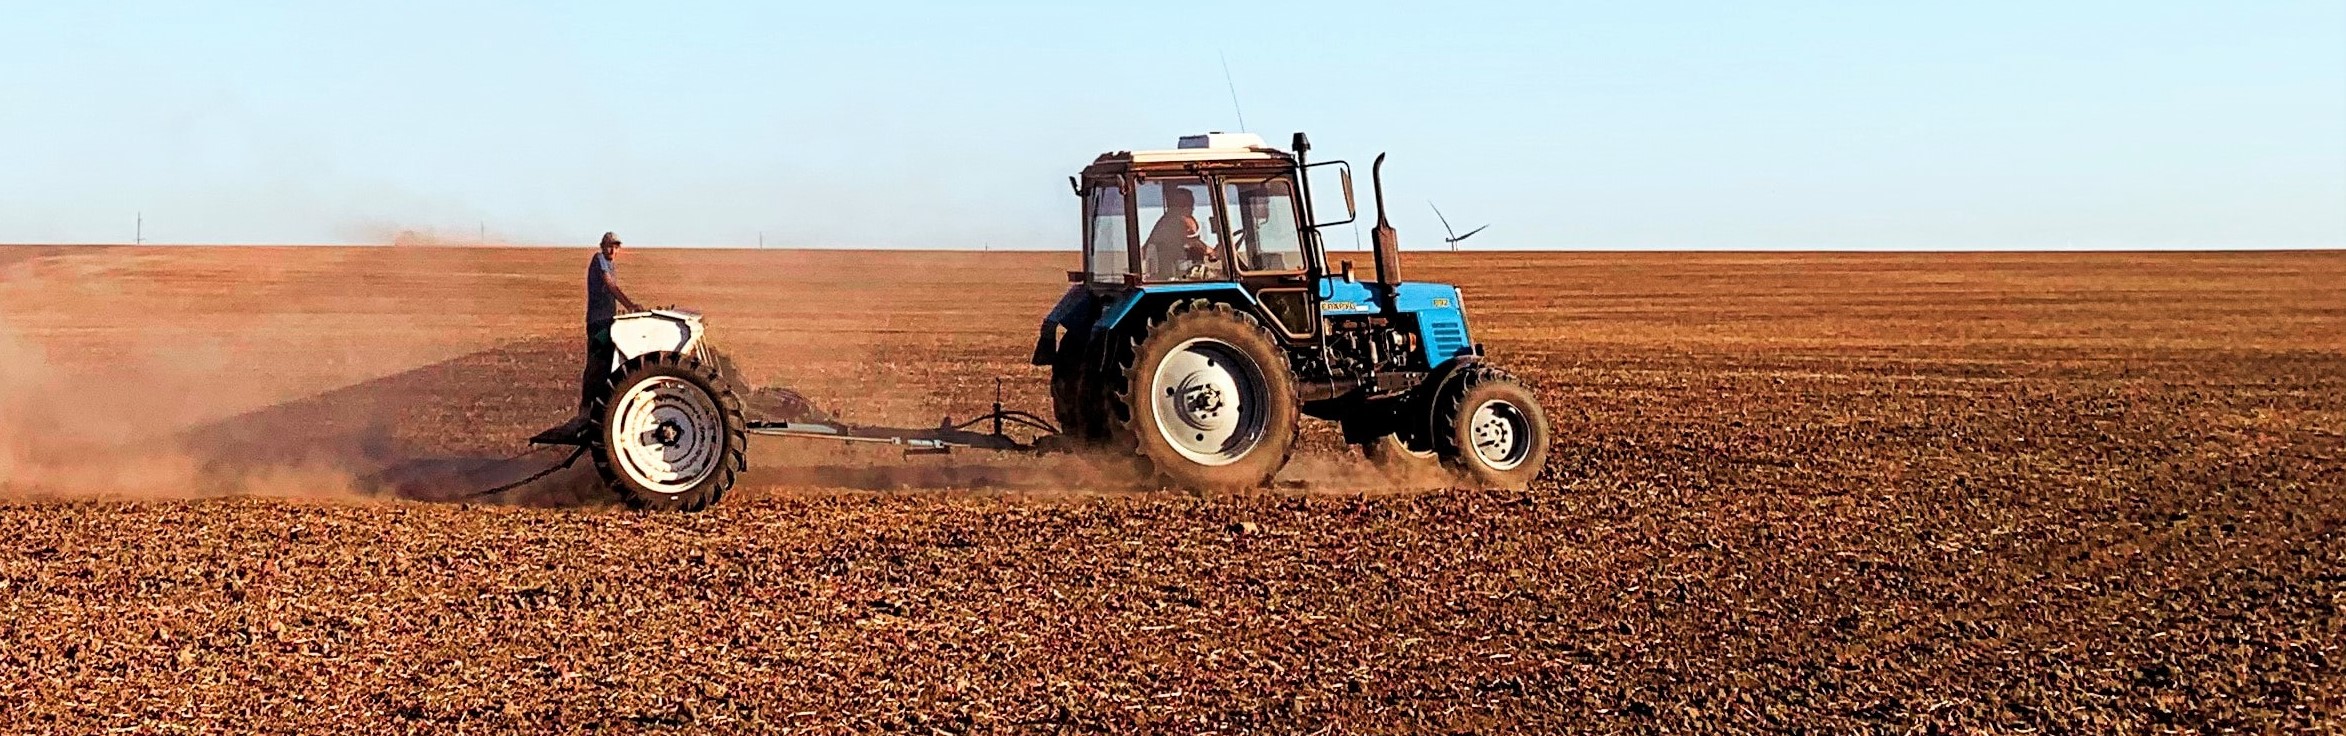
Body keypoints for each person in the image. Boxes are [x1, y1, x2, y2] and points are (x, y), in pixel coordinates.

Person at [578, 231, 642, 421]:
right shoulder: (599, 261)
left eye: (616, 246)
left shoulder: (610, 264)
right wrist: (630, 305)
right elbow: (611, 286)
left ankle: (600, 410)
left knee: (608, 365)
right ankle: (585, 408)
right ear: (602, 246)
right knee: (596, 363)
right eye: (609, 246)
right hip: (598, 322)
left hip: (608, 321)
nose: (612, 249)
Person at [1141, 187, 1219, 279]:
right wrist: (1212, 252)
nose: (1192, 208)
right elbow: (1193, 242)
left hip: (1170, 272)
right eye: (1189, 204)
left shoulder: (1164, 221)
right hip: (1176, 274)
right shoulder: (1178, 220)